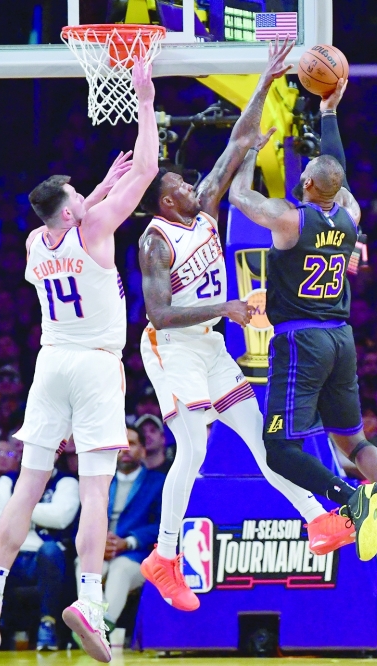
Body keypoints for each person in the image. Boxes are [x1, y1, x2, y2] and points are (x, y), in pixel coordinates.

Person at [135, 42, 347, 609]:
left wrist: (264, 82)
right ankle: (164, 556)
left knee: (263, 440)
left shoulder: (203, 208)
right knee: (192, 449)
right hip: (171, 347)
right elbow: (158, 314)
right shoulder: (155, 242)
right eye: (180, 186)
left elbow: (236, 144)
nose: (192, 186)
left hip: (208, 347)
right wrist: (224, 309)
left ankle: (318, 520)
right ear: (165, 203)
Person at [0, 59, 158, 663]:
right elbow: (147, 169)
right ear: (74, 210)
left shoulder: (35, 242)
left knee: (29, 483)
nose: (86, 198)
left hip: (50, 363)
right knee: (97, 491)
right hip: (97, 365)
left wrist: (95, 188)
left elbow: (71, 219)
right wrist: (145, 100)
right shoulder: (95, 227)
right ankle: (90, 603)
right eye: (79, 196)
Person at [230, 77, 377, 572]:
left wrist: (251, 150)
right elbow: (335, 172)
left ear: (305, 185)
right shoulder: (350, 215)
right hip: (342, 339)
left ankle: (354, 499)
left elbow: (238, 194)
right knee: (354, 440)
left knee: (279, 450)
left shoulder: (289, 220)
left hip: (302, 340)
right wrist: (328, 114)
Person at [0, 450, 80, 651]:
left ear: (56, 454)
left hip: (43, 559)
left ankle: (48, 626)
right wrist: (38, 513)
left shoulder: (66, 482)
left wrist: (18, 508)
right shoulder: (7, 481)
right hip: (8, 557)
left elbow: (61, 518)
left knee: (50, 551)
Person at [79, 427, 164, 636]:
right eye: (119, 444)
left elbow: (163, 525)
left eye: (131, 443)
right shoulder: (98, 482)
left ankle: (99, 628)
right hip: (101, 550)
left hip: (137, 554)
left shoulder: (159, 482)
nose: (124, 449)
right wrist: (98, 544)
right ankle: (96, 625)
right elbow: (84, 521)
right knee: (83, 564)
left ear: (143, 450)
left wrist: (128, 542)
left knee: (120, 568)